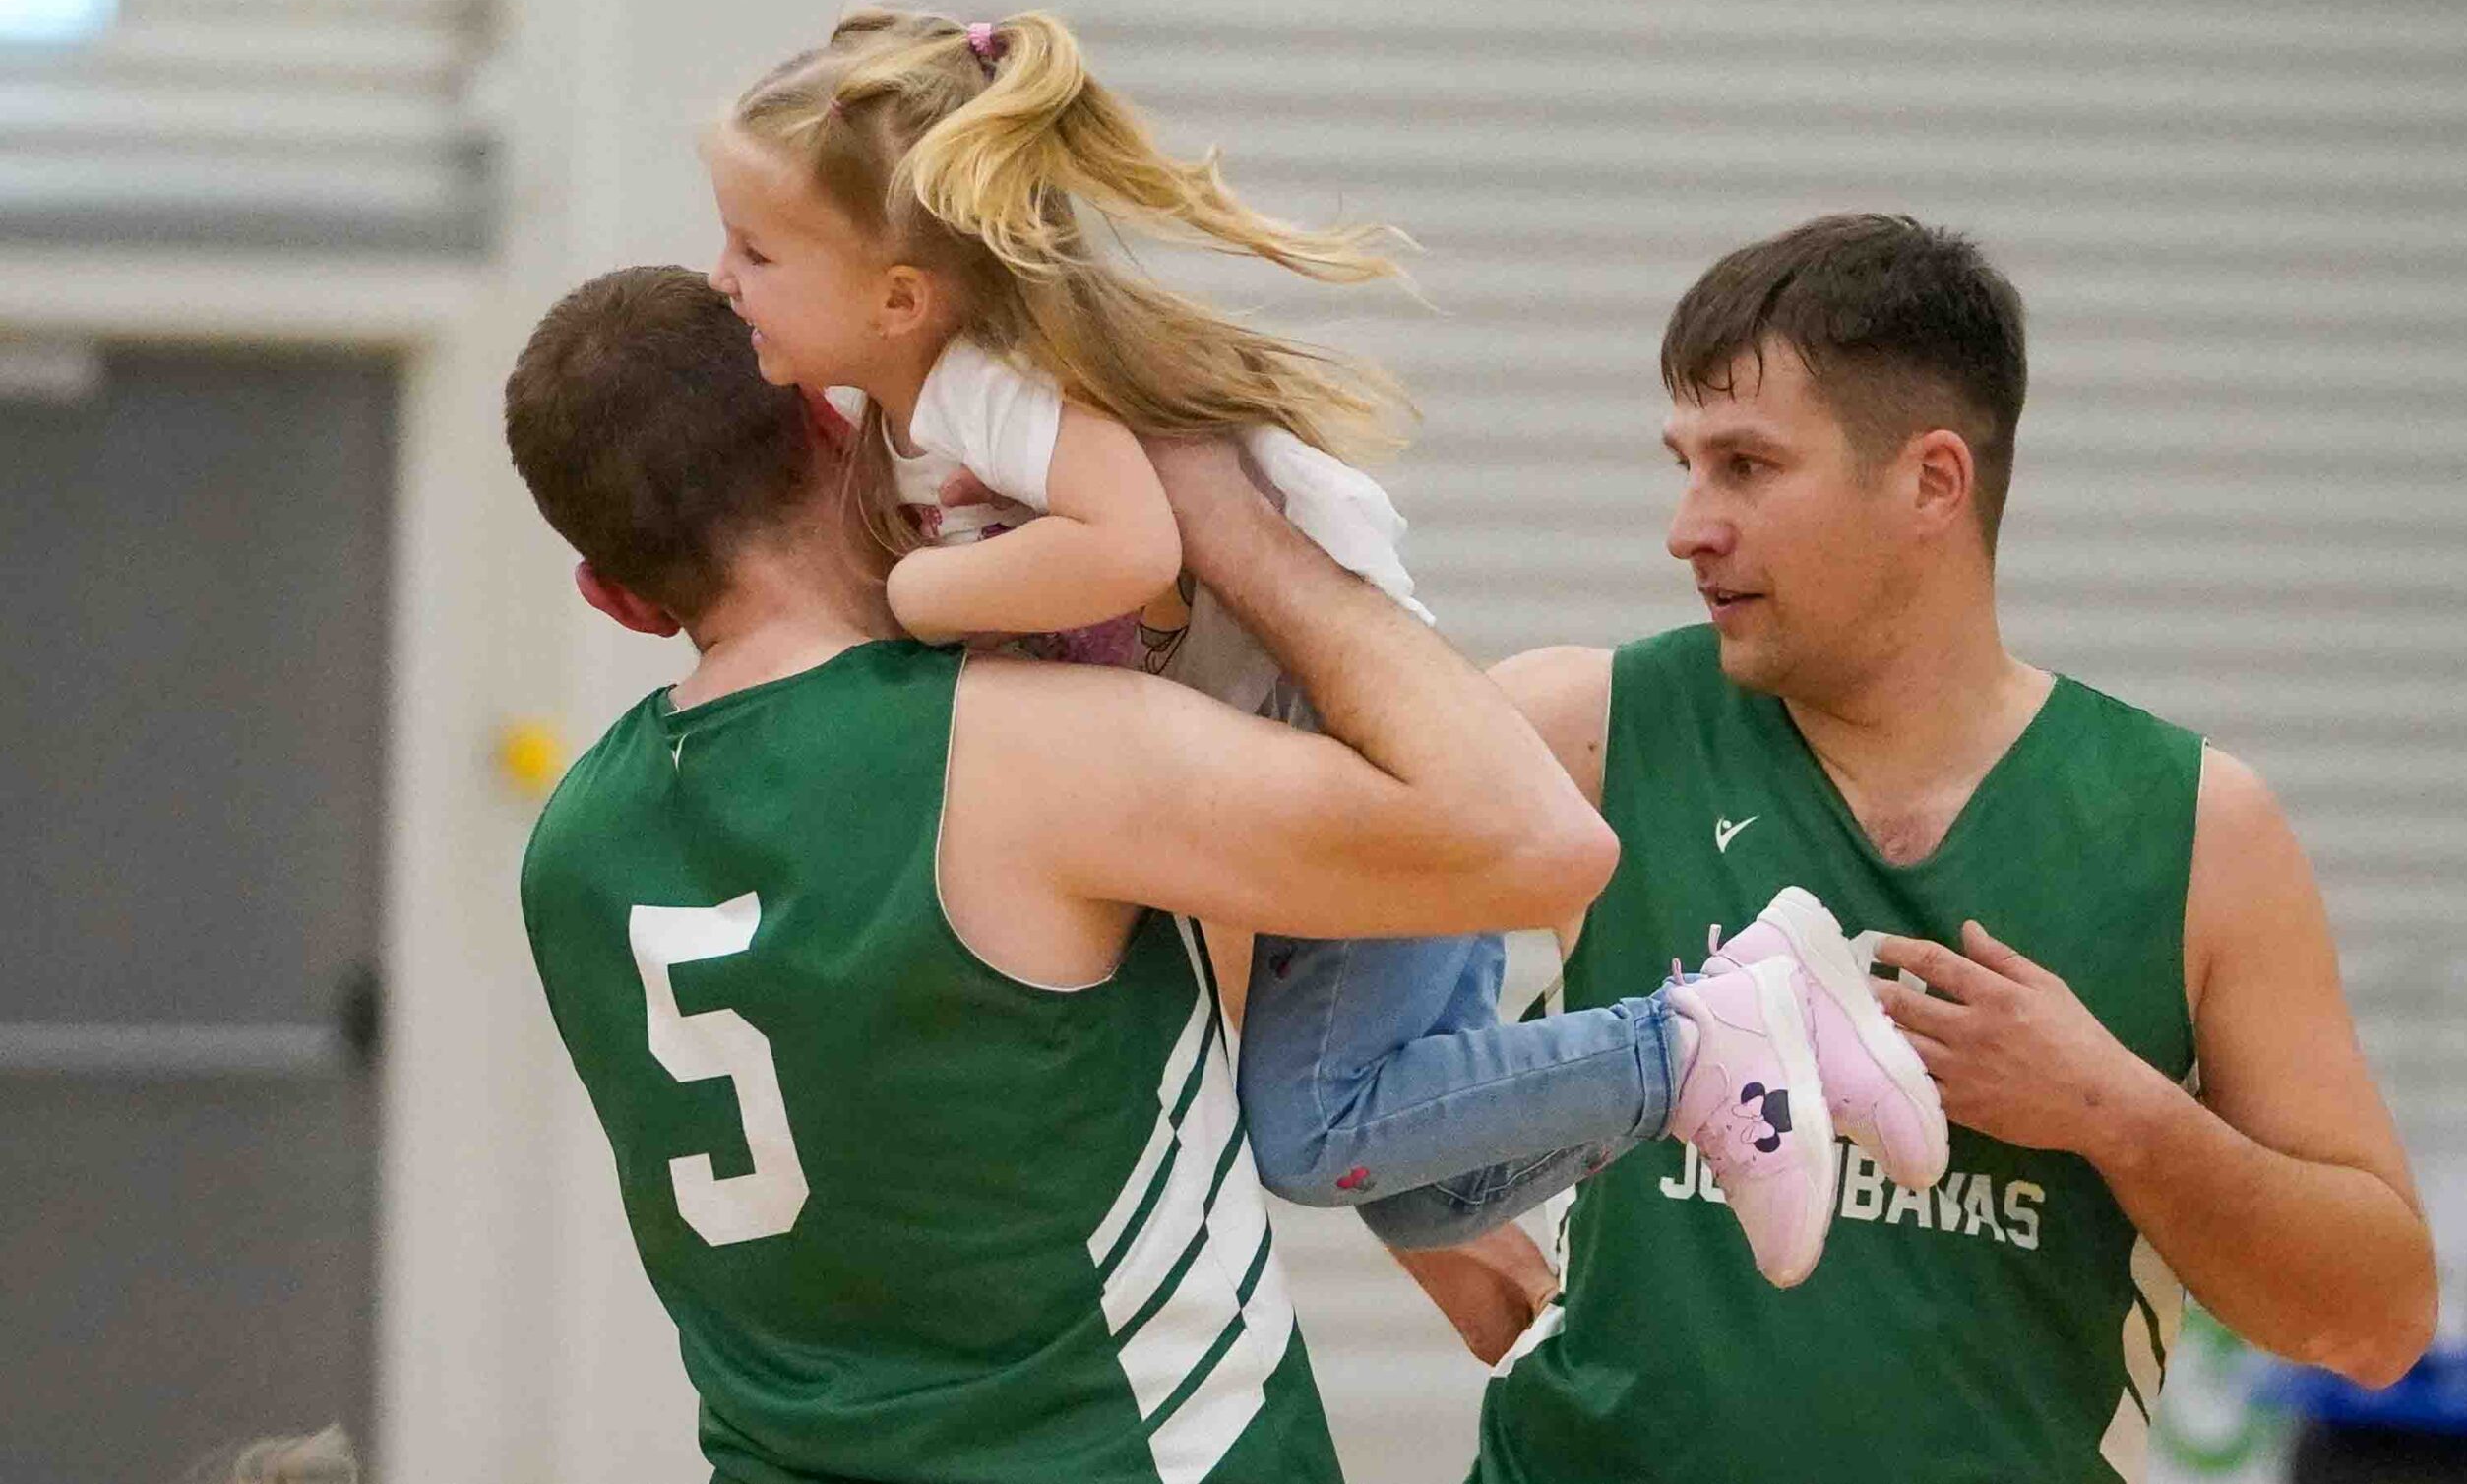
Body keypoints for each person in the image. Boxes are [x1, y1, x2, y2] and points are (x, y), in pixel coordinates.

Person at [697, 4, 1943, 1282]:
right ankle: (1765, 1029)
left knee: (1311, 1135)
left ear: (900, 295)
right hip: (1314, 748)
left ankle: (1697, 1044)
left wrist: (922, 594)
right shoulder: (906, 422)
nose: (724, 278)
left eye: (756, 249)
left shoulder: (985, 388)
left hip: (1345, 731)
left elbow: (1128, 542)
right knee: (1426, 1192)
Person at [505, 263, 1626, 1481]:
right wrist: (1229, 522)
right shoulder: (1020, 748)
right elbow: (1534, 838)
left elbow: (972, 1081)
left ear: (614, 598)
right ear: (832, 421)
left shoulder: (571, 848)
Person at [1398, 215, 2436, 1482]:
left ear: (1933, 482)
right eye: (1685, 465)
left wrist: (2118, 1114)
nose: (1687, 526)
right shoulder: (1585, 733)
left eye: (1745, 466)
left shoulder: (2198, 829)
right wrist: (1466, 1254)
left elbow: (2376, 1323)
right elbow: (1267, 952)